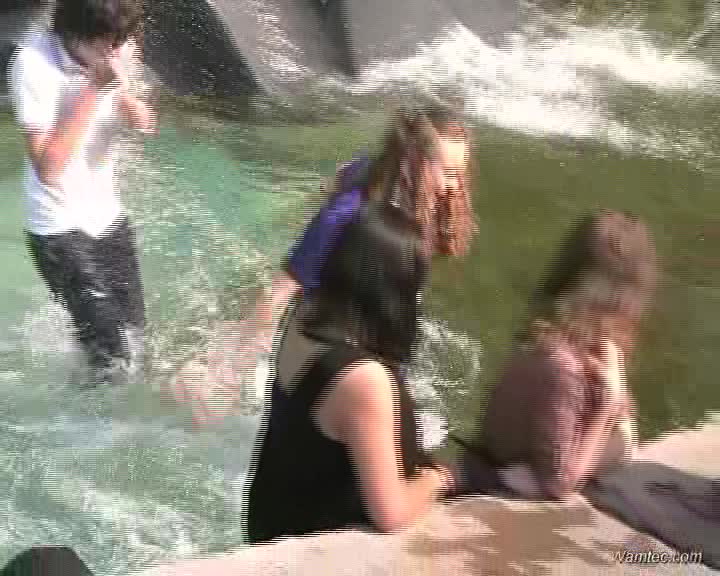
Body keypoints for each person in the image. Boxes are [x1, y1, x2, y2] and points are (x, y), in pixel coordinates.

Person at [173, 105, 475, 421]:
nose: (456, 185)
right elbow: (282, 288)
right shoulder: (350, 213)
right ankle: (198, 377)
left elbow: (344, 173)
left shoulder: (387, 176)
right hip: (328, 319)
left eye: (460, 173)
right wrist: (233, 371)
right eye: (449, 173)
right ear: (415, 161)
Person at [242, 204, 472, 543]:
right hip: (317, 543)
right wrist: (442, 478)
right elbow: (390, 513)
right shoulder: (364, 379)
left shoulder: (302, 318)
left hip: (269, 520)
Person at [8, 0, 156, 383]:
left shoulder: (119, 44)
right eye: (108, 43)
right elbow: (49, 169)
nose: (118, 50)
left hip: (108, 217)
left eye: (122, 40)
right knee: (111, 358)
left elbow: (121, 96)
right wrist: (95, 87)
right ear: (73, 33)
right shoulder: (33, 64)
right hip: (58, 229)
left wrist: (131, 107)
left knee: (138, 341)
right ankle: (83, 417)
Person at [480, 210, 659, 500]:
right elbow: (559, 484)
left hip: (506, 459)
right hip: (510, 475)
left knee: (624, 437)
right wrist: (608, 406)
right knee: (624, 440)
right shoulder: (563, 363)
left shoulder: (542, 333)